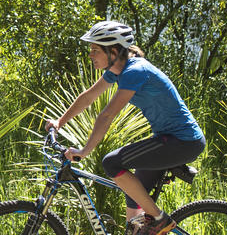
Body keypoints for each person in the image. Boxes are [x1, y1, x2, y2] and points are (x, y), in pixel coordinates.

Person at [46, 21, 206, 235]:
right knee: (133, 199)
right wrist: (60, 122)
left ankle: (160, 220)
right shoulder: (117, 71)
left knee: (111, 162)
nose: (91, 55)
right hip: (167, 139)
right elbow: (89, 97)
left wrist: (85, 151)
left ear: (113, 51)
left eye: (95, 50)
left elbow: (106, 115)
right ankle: (146, 227)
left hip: (182, 142)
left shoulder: (135, 71)